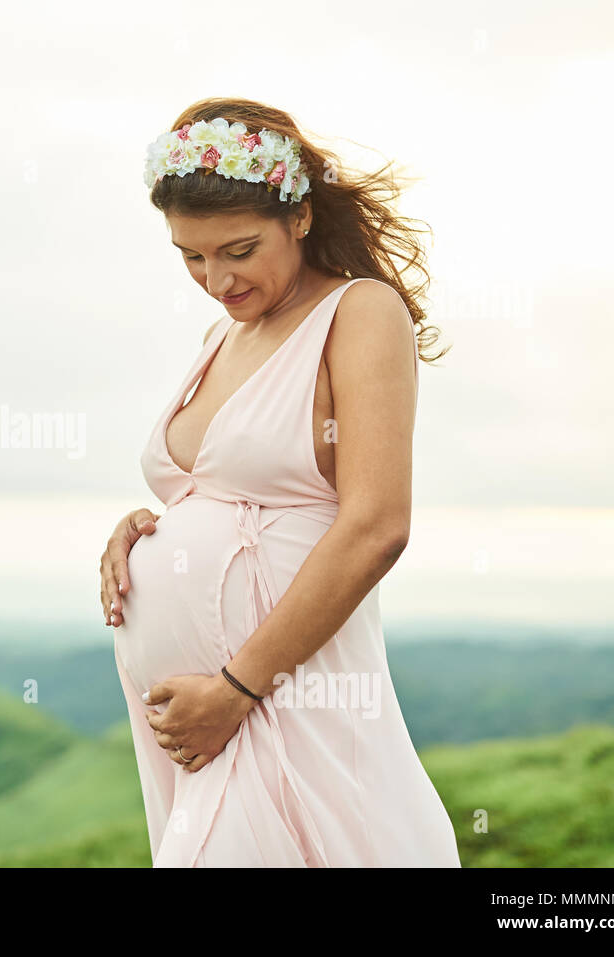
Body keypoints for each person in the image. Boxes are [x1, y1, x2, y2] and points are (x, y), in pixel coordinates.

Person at [99, 98, 459, 867]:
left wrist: (236, 688)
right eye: (191, 256)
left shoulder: (358, 313)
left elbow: (376, 525)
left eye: (237, 249)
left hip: (277, 698)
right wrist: (148, 525)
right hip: (202, 716)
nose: (215, 279)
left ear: (297, 217)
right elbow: (225, 493)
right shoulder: (219, 338)